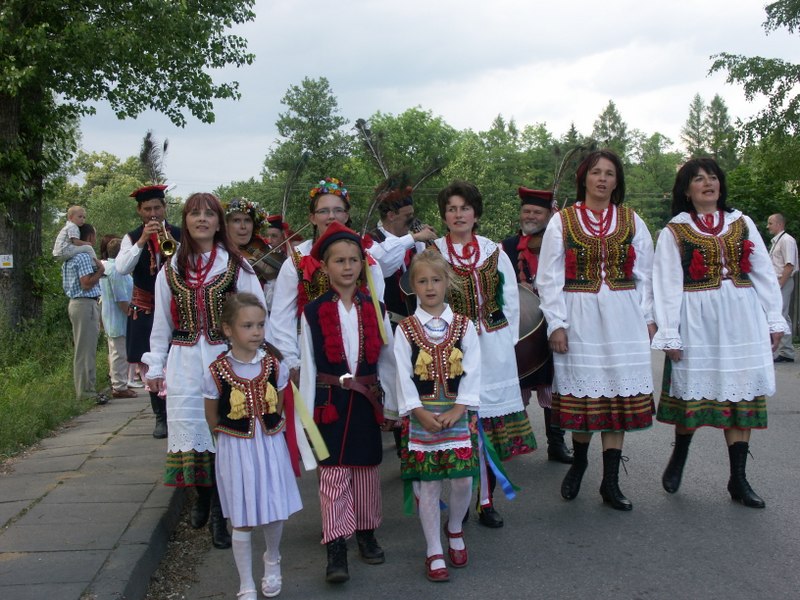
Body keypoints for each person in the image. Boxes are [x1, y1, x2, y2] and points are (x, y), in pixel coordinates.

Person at [652, 157, 786, 509]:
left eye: (713, 177)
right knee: (692, 397)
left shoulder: (742, 222)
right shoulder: (675, 231)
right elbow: (666, 283)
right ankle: (680, 454)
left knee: (741, 396)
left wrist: (773, 318)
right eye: (699, 179)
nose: (708, 183)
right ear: (687, 190)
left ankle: (738, 479)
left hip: (742, 317)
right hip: (697, 321)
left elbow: (762, 272)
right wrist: (669, 331)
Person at [143, 192, 266, 549]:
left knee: (223, 434)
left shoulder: (237, 267)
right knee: (194, 434)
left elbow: (258, 315)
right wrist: (155, 363)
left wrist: (258, 360)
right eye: (194, 214)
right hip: (184, 363)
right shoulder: (171, 269)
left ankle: (219, 513)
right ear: (185, 220)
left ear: (218, 222)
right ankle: (202, 495)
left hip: (225, 361)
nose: (201, 220)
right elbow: (161, 324)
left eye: (209, 214)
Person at [537, 149, 655, 511]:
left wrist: (647, 318)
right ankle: (580, 463)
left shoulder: (632, 220)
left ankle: (610, 482)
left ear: (617, 181)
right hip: (580, 317)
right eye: (596, 172)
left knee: (617, 396)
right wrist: (557, 324)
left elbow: (646, 275)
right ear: (584, 178)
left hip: (623, 318)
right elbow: (549, 277)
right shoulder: (563, 221)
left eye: (609, 173)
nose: (602, 179)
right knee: (584, 397)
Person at [298, 221, 397, 584]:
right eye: (339, 260)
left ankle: (367, 533)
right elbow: (308, 366)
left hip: (366, 403)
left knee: (366, 470)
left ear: (362, 264)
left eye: (354, 260)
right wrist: (306, 419)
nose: (348, 266)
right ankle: (336, 545)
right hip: (329, 404)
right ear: (325, 267)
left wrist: (393, 405)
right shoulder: (312, 312)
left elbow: (388, 361)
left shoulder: (376, 308)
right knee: (333, 474)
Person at [433, 181, 536, 528]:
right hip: (450, 350)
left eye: (464, 208)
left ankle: (486, 500)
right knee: (458, 426)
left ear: (475, 213)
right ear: (444, 215)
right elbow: (425, 300)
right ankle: (456, 500)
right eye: (451, 209)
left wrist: (506, 342)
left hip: (493, 349)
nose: (458, 214)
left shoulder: (494, 252)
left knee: (487, 429)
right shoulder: (433, 253)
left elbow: (510, 302)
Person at [204, 293, 303, 599]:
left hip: (269, 445)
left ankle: (272, 558)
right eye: (247, 326)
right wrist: (228, 440)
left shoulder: (274, 366)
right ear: (228, 329)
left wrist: (268, 431)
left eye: (260, 325)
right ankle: (246, 582)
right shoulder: (216, 371)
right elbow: (212, 415)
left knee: (273, 509)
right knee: (242, 516)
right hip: (236, 449)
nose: (256, 332)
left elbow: (281, 405)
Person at [394, 249, 480, 583]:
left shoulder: (464, 326)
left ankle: (455, 527)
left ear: (447, 282)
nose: (430, 287)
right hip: (422, 417)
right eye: (422, 281)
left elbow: (474, 368)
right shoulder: (406, 329)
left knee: (462, 480)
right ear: (413, 286)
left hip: (457, 414)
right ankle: (433, 548)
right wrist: (416, 410)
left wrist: (460, 407)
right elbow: (402, 375)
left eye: (436, 280)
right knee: (428, 485)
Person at [268, 177, 384, 385]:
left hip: (359, 355)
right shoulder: (297, 260)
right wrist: (293, 363)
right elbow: (281, 318)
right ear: (312, 218)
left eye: (338, 210)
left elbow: (378, 313)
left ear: (346, 215)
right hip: (309, 354)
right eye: (324, 211)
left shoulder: (366, 260)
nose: (331, 216)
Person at [502, 187, 573, 464]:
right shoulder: (506, 247)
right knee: (517, 383)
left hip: (552, 324)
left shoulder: (560, 245)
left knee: (553, 384)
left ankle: (556, 442)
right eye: (527, 211)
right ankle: (513, 441)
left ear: (549, 215)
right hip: (521, 328)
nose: (530, 216)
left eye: (537, 212)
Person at [116, 184, 181, 438]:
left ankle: (177, 412)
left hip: (176, 306)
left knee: (176, 360)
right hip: (146, 309)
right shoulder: (131, 237)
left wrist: (175, 245)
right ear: (139, 211)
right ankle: (160, 416)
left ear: (165, 208)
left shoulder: (179, 233)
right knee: (151, 364)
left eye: (157, 208)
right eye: (147, 209)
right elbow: (122, 268)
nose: (153, 214)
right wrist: (142, 241)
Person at [62, 223, 107, 404]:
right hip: (84, 304)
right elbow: (86, 283)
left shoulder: (70, 257)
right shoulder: (83, 257)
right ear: (89, 237)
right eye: (94, 236)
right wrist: (101, 271)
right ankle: (86, 392)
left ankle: (88, 388)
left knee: (85, 348)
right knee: (85, 350)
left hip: (78, 304)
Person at [99, 237, 137, 399]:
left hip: (111, 316)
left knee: (117, 351)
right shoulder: (117, 271)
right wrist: (131, 315)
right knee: (119, 353)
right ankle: (119, 386)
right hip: (119, 317)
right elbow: (121, 298)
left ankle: (119, 383)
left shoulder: (107, 267)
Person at [767, 212, 798, 363]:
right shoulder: (777, 241)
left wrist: (780, 284)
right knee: (783, 314)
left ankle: (785, 351)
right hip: (777, 281)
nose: (768, 227)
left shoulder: (787, 240)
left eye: (770, 223)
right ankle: (786, 350)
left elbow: (789, 265)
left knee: (780, 314)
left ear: (779, 224)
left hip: (782, 281)